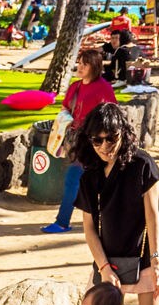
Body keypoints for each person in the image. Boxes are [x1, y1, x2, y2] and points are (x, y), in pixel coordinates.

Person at [77, 103, 159, 305]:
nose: (105, 146)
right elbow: (89, 228)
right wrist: (103, 267)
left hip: (145, 254)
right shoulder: (89, 175)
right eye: (97, 140)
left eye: (112, 138)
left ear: (123, 134)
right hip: (108, 259)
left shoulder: (141, 164)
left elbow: (153, 215)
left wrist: (156, 263)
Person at [42, 49, 117, 235]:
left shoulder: (104, 87)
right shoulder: (75, 86)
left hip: (96, 143)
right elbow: (66, 107)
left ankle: (63, 222)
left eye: (85, 64)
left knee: (74, 179)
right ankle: (70, 221)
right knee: (83, 181)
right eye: (80, 63)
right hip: (78, 141)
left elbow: (113, 114)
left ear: (95, 67)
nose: (80, 67)